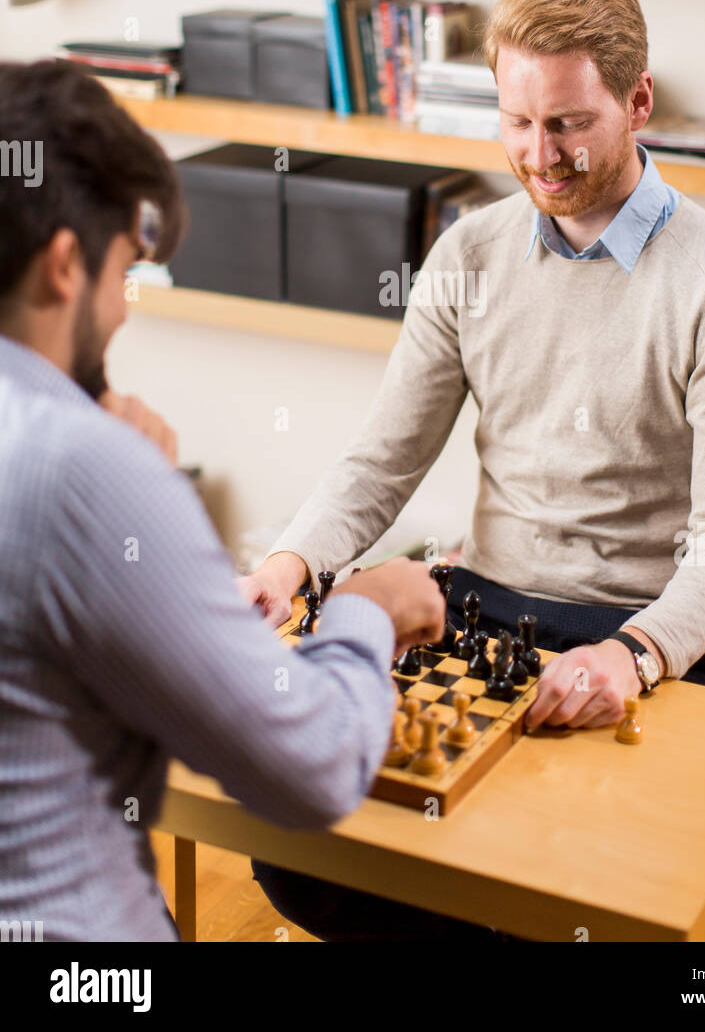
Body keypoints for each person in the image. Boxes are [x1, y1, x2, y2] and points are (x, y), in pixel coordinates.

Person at [242, 0, 705, 940]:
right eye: (515, 122)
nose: (538, 155)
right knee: (299, 856)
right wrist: (288, 563)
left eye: (568, 123)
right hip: (492, 603)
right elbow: (381, 460)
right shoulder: (468, 254)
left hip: (643, 630)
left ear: (635, 102)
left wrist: (631, 655)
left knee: (560, 874)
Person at [0, 58, 444, 942]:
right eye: (125, 268)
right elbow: (310, 768)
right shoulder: (85, 470)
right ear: (61, 268)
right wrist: (363, 611)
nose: (123, 311)